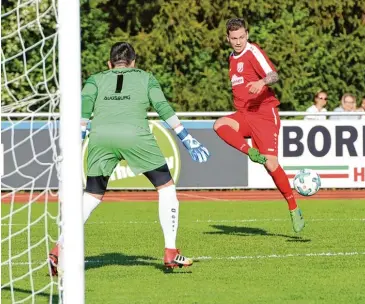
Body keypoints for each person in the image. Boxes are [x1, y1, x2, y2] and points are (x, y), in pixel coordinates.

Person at [48, 42, 210, 275]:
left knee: (92, 194)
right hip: (135, 136)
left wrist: (76, 144)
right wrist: (186, 138)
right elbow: (163, 107)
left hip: (101, 138)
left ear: (109, 63)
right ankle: (171, 251)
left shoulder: (95, 79)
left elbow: (83, 113)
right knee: (165, 186)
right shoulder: (145, 77)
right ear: (134, 63)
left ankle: (59, 248)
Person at [213, 18, 305, 233]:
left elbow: (274, 75)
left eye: (242, 37)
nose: (238, 42)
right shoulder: (232, 58)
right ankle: (250, 151)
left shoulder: (252, 52)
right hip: (245, 115)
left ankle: (293, 206)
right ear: (227, 38)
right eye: (234, 38)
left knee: (271, 164)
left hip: (264, 114)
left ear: (247, 34)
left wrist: (262, 82)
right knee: (220, 124)